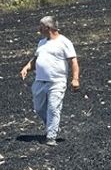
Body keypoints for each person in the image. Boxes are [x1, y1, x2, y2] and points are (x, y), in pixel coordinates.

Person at [19, 16, 80, 146]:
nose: (38, 29)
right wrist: (27, 67)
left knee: (53, 108)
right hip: (40, 81)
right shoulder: (42, 43)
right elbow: (35, 60)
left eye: (40, 26)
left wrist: (75, 79)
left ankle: (51, 136)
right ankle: (53, 126)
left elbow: (73, 61)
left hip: (56, 82)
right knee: (39, 108)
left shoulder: (64, 42)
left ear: (48, 27)